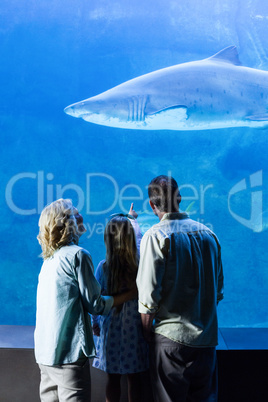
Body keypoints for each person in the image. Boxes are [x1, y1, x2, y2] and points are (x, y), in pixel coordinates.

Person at [34, 198, 136, 402]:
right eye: (75, 212)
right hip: (67, 356)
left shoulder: (50, 259)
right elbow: (96, 305)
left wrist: (131, 220)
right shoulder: (78, 255)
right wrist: (129, 294)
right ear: (66, 222)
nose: (81, 215)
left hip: (45, 354)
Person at [136, 175, 224, 402]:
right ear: (180, 198)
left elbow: (148, 296)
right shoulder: (209, 235)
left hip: (170, 339)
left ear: (151, 205)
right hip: (206, 340)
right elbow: (218, 291)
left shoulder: (155, 236)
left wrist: (147, 332)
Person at [92, 204, 149, 402]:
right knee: (135, 380)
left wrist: (95, 323)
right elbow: (140, 242)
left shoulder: (103, 267)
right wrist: (133, 220)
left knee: (113, 380)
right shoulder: (140, 265)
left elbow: (95, 300)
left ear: (107, 239)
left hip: (111, 332)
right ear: (131, 239)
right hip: (135, 330)